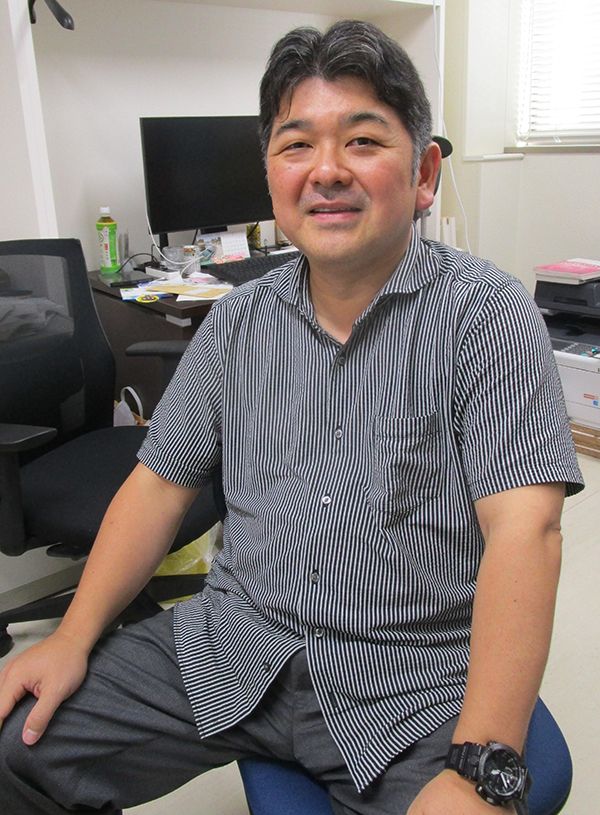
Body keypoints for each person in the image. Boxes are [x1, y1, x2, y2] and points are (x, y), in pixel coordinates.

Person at [0, 19, 583, 815]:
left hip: (410, 681)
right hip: (236, 640)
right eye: (297, 144)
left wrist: (480, 761)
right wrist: (71, 636)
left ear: (424, 173)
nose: (327, 171)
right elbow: (157, 487)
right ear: (272, 174)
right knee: (20, 746)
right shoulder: (235, 323)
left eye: (364, 140)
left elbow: (526, 532)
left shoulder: (486, 317)